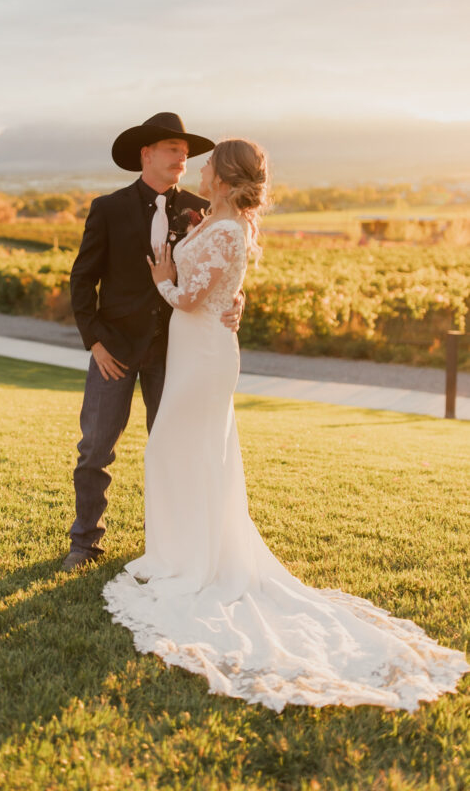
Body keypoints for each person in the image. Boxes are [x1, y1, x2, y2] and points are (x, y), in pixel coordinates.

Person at [103, 138, 469, 711]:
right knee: (186, 452)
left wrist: (163, 278)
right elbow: (227, 288)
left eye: (206, 164)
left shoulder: (226, 231)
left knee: (178, 448)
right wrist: (216, 287)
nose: (198, 169)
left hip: (205, 355)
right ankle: (181, 551)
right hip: (197, 350)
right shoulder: (215, 221)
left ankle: (192, 561)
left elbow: (192, 297)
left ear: (223, 178)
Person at [63, 113, 243, 573]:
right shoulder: (108, 208)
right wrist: (95, 344)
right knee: (95, 450)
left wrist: (238, 298)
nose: (182, 156)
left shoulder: (202, 209)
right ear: (146, 154)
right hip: (116, 350)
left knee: (176, 450)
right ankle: (84, 544)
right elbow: (82, 281)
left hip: (176, 355)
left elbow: (224, 266)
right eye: (171, 148)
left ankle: (174, 546)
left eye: (186, 151)